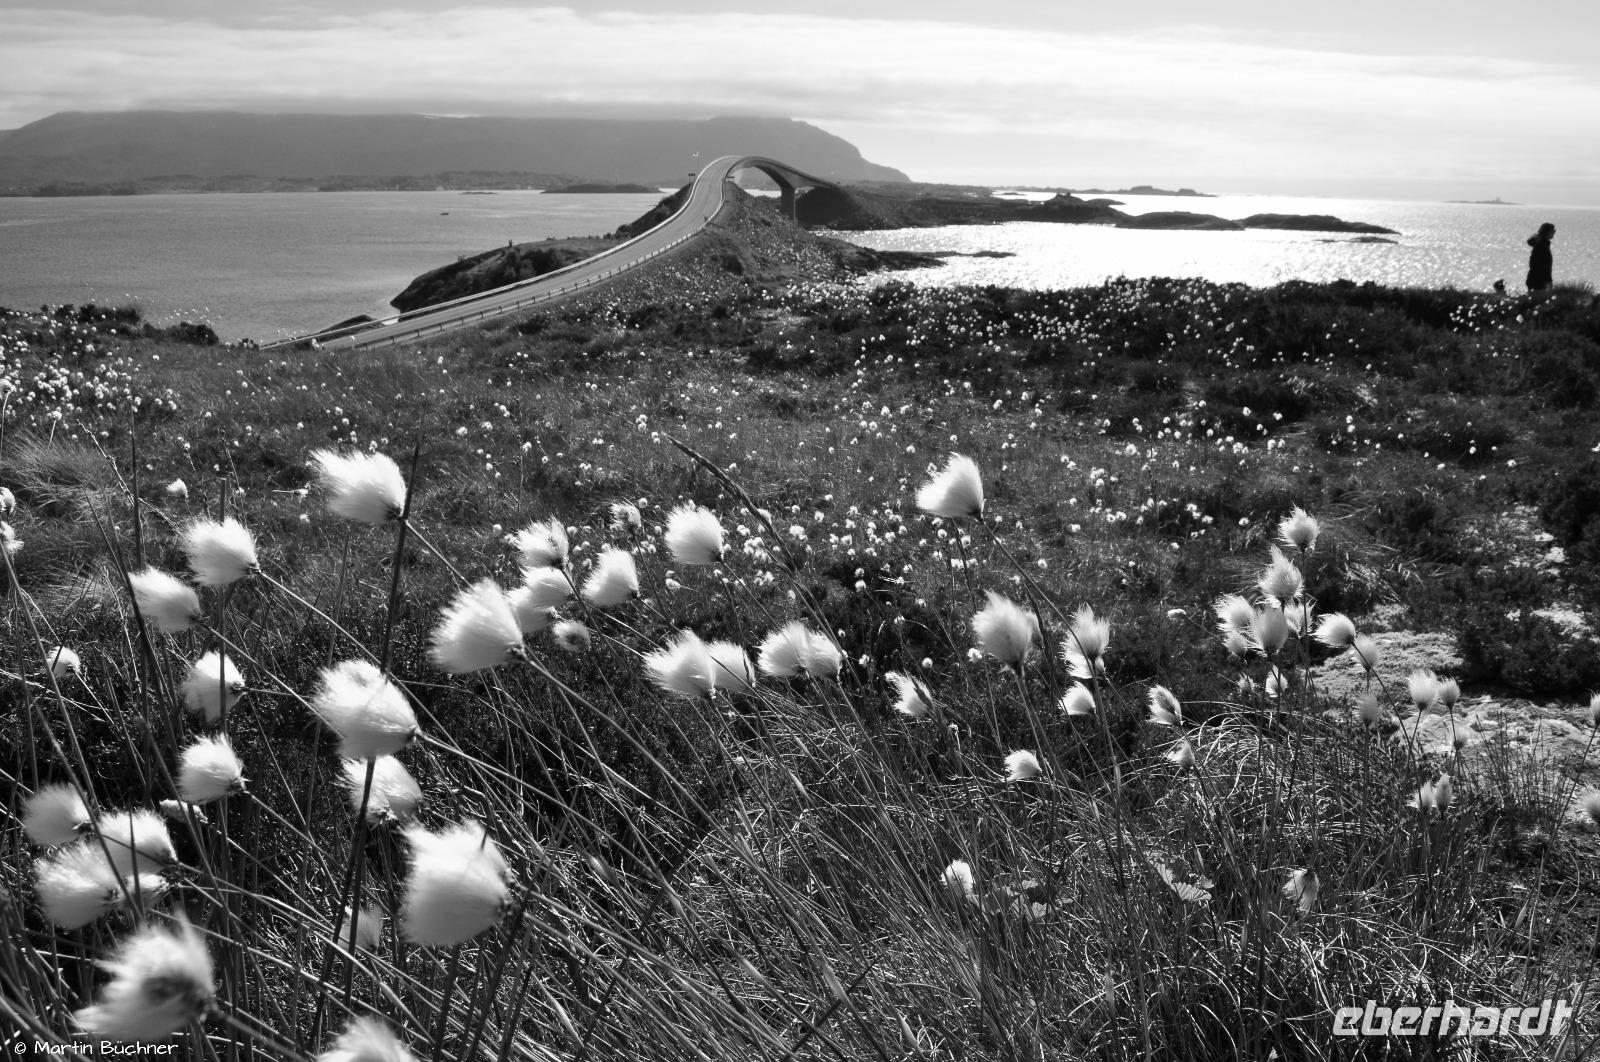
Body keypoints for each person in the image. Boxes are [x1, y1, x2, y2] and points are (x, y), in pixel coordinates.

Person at [1526, 222, 1556, 292]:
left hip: (1534, 280)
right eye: (1553, 231)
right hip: (1538, 282)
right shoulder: (1542, 247)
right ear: (1548, 232)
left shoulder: (1541, 245)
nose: (1554, 232)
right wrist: (1549, 282)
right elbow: (1545, 266)